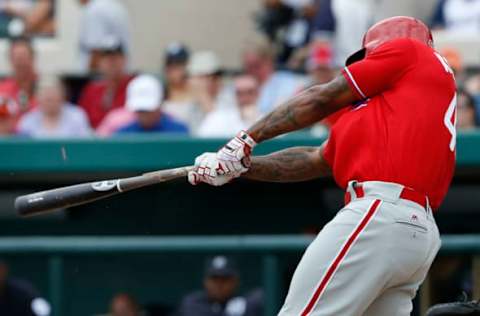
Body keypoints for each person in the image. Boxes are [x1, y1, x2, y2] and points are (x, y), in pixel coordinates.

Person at [189, 16, 455, 315]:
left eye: (368, 57)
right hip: (414, 234)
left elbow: (321, 98)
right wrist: (238, 166)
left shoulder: (409, 51)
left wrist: (244, 140)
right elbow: (316, 158)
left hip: (380, 213)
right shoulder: (388, 113)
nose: (363, 65)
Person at [177, 255, 263, 316]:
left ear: (236, 281)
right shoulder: (193, 303)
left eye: (224, 279)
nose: (219, 285)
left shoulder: (247, 302)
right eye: (214, 279)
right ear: (205, 281)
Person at [78, 38, 134, 128]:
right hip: (94, 140)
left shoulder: (134, 86)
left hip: (124, 139)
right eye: (107, 59)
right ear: (99, 63)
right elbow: (82, 122)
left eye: (115, 58)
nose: (111, 63)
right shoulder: (91, 90)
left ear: (124, 60)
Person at [242, 36, 305, 114]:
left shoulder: (288, 83)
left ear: (269, 62)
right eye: (248, 67)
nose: (252, 71)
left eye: (256, 66)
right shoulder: (241, 86)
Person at [17, 77, 91, 138]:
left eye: (54, 97)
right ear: (37, 98)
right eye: (47, 99)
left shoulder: (77, 116)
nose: (50, 102)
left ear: (62, 96)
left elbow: (86, 143)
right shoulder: (27, 120)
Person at [115, 74, 188, 134]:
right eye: (140, 110)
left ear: (160, 104)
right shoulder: (123, 134)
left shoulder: (178, 131)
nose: (144, 115)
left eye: (148, 110)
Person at [196, 74, 261, 137]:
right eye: (239, 93)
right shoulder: (217, 117)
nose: (245, 98)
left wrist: (252, 121)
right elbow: (202, 141)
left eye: (250, 92)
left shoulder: (265, 118)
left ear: (258, 94)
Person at [77, 0, 131, 73]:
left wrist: (89, 77)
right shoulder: (115, 6)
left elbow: (96, 50)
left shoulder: (95, 9)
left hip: (101, 77)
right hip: (118, 73)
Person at [161, 43, 198, 130]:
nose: (174, 70)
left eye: (178, 65)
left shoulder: (196, 90)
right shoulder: (160, 93)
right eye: (170, 65)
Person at [0, 37, 37, 115]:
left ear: (32, 58)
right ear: (10, 60)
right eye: (16, 58)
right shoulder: (3, 89)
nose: (20, 63)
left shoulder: (44, 87)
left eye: (23, 57)